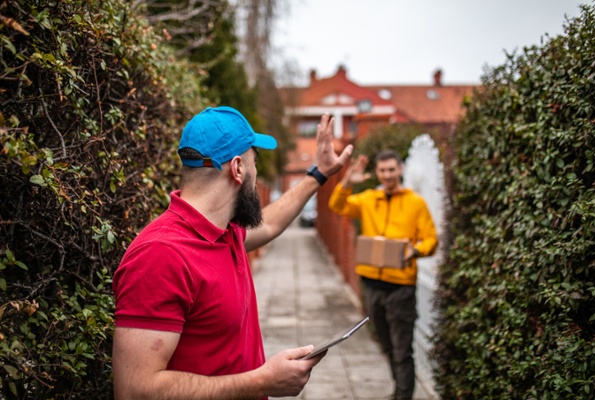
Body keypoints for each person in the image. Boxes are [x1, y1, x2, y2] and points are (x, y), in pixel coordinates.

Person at [112, 106, 353, 400]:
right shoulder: (161, 255)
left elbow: (272, 222)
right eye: (256, 161)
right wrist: (262, 382)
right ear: (238, 168)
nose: (257, 172)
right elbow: (135, 391)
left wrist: (318, 174)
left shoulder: (225, 231)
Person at [328, 150, 437, 400]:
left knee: (402, 350)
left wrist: (415, 250)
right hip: (372, 285)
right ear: (377, 173)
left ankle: (402, 395)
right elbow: (337, 205)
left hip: (400, 286)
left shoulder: (415, 202)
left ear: (400, 170)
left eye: (391, 170)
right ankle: (398, 390)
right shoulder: (368, 199)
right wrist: (347, 182)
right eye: (382, 170)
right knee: (386, 344)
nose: (387, 175)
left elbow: (431, 239)